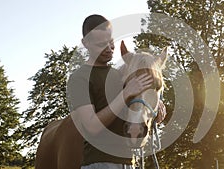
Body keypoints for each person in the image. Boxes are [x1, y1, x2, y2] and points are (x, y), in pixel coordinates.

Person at [66, 14, 166, 169]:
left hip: (128, 162)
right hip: (99, 163)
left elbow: (140, 95)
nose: (108, 49)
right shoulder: (79, 78)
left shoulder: (120, 75)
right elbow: (92, 126)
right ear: (85, 44)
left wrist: (155, 102)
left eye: (111, 42)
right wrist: (125, 94)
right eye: (100, 44)